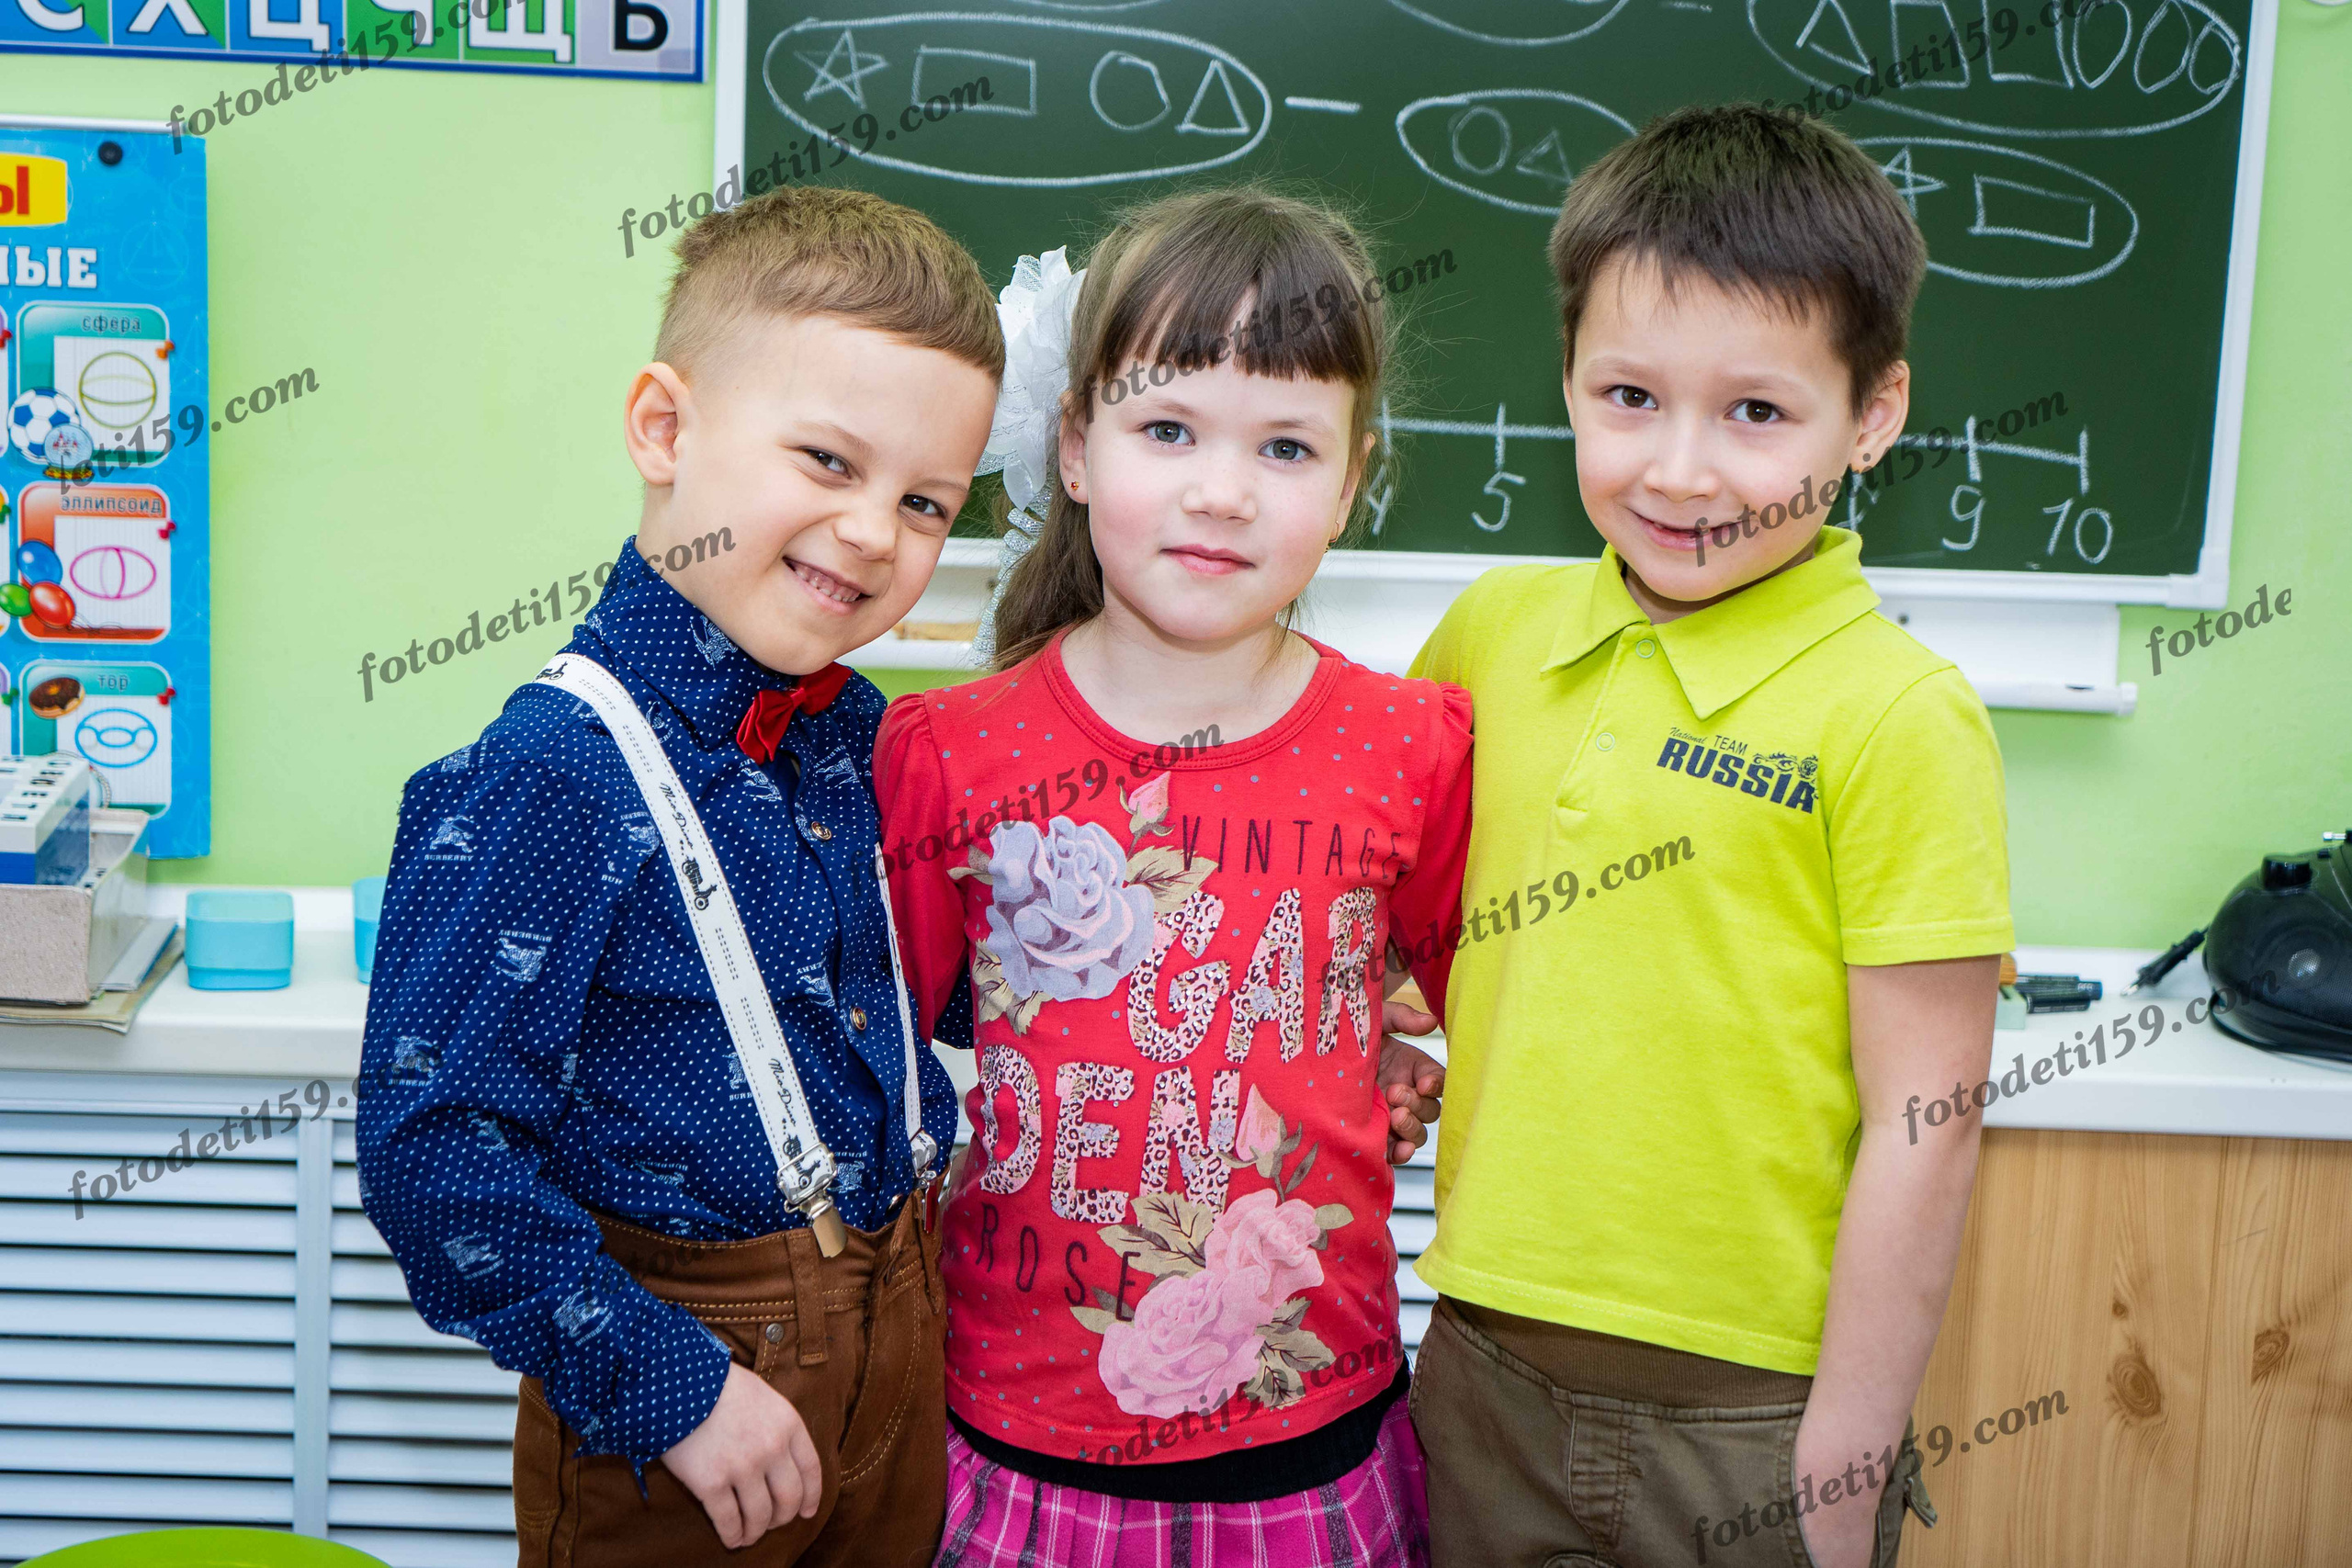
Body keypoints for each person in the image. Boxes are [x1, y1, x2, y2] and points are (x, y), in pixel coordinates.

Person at [355, 184, 1007, 1567]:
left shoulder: (867, 740)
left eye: (927, 500)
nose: (877, 532)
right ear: (665, 428)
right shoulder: (547, 775)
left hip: (909, 1340)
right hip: (686, 1392)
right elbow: (436, 1156)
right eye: (828, 462)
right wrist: (672, 1385)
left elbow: (944, 997)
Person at [1405, 105, 2013, 1568]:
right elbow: (1394, 924)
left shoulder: (1899, 716)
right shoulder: (1492, 634)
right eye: (1628, 398)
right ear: (1564, 381)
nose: (1680, 472)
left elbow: (1926, 1132)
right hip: (1478, 1364)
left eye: (1757, 414)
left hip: (1753, 1414)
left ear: (1872, 417)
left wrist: (1846, 1457)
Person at [873, 186, 1468, 1568]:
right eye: (1167, 429)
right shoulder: (946, 755)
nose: (1221, 489)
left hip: (1314, 1455)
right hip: (1013, 1442)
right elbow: (876, 1072)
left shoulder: (1415, 747)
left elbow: (1476, 1008)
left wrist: (1375, 1048)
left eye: (1286, 445)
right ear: (1077, 448)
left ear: (1353, 475)